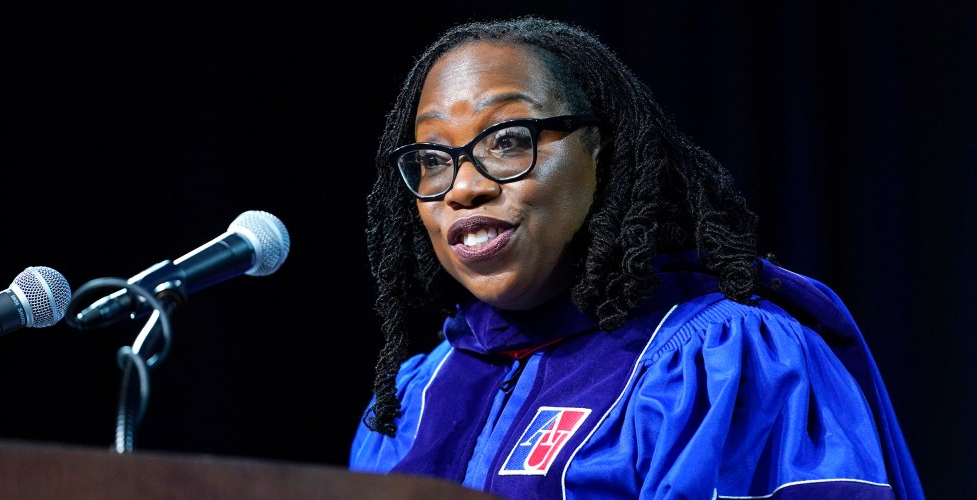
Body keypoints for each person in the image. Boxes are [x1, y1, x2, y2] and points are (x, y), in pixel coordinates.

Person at [348, 15, 924, 500]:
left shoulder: (722, 360)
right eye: (432, 156)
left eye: (507, 138)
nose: (461, 188)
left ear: (601, 149)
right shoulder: (411, 399)